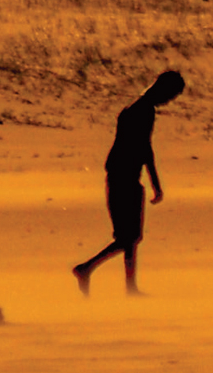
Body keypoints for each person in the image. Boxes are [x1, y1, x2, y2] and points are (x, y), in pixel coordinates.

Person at [72, 69, 184, 295]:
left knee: (130, 237)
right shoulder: (143, 112)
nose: (169, 101)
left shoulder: (134, 109)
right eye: (171, 96)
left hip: (123, 175)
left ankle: (129, 286)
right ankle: (87, 268)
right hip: (124, 177)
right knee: (129, 237)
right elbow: (144, 148)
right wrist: (156, 183)